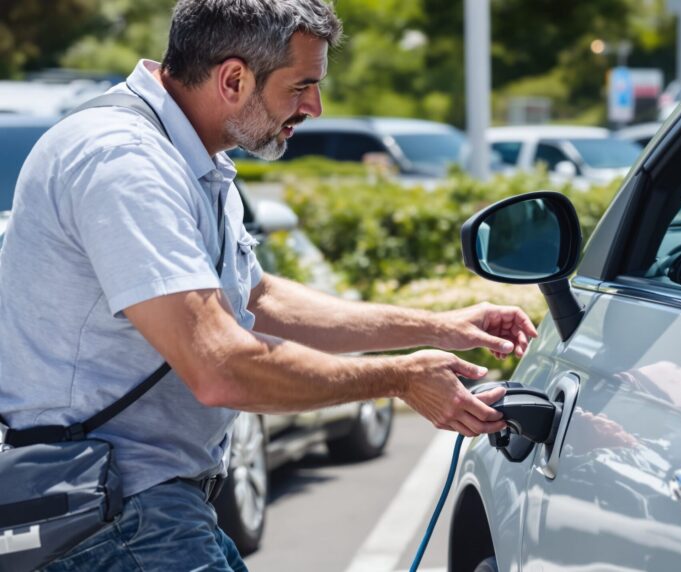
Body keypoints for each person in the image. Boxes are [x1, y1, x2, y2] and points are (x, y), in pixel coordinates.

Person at [0, 1, 536, 570]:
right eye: (301, 86)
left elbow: (259, 300)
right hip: (111, 512)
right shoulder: (125, 161)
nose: (315, 107)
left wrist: (437, 327)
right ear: (233, 78)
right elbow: (220, 367)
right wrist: (399, 378)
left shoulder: (190, 155)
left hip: (143, 508)